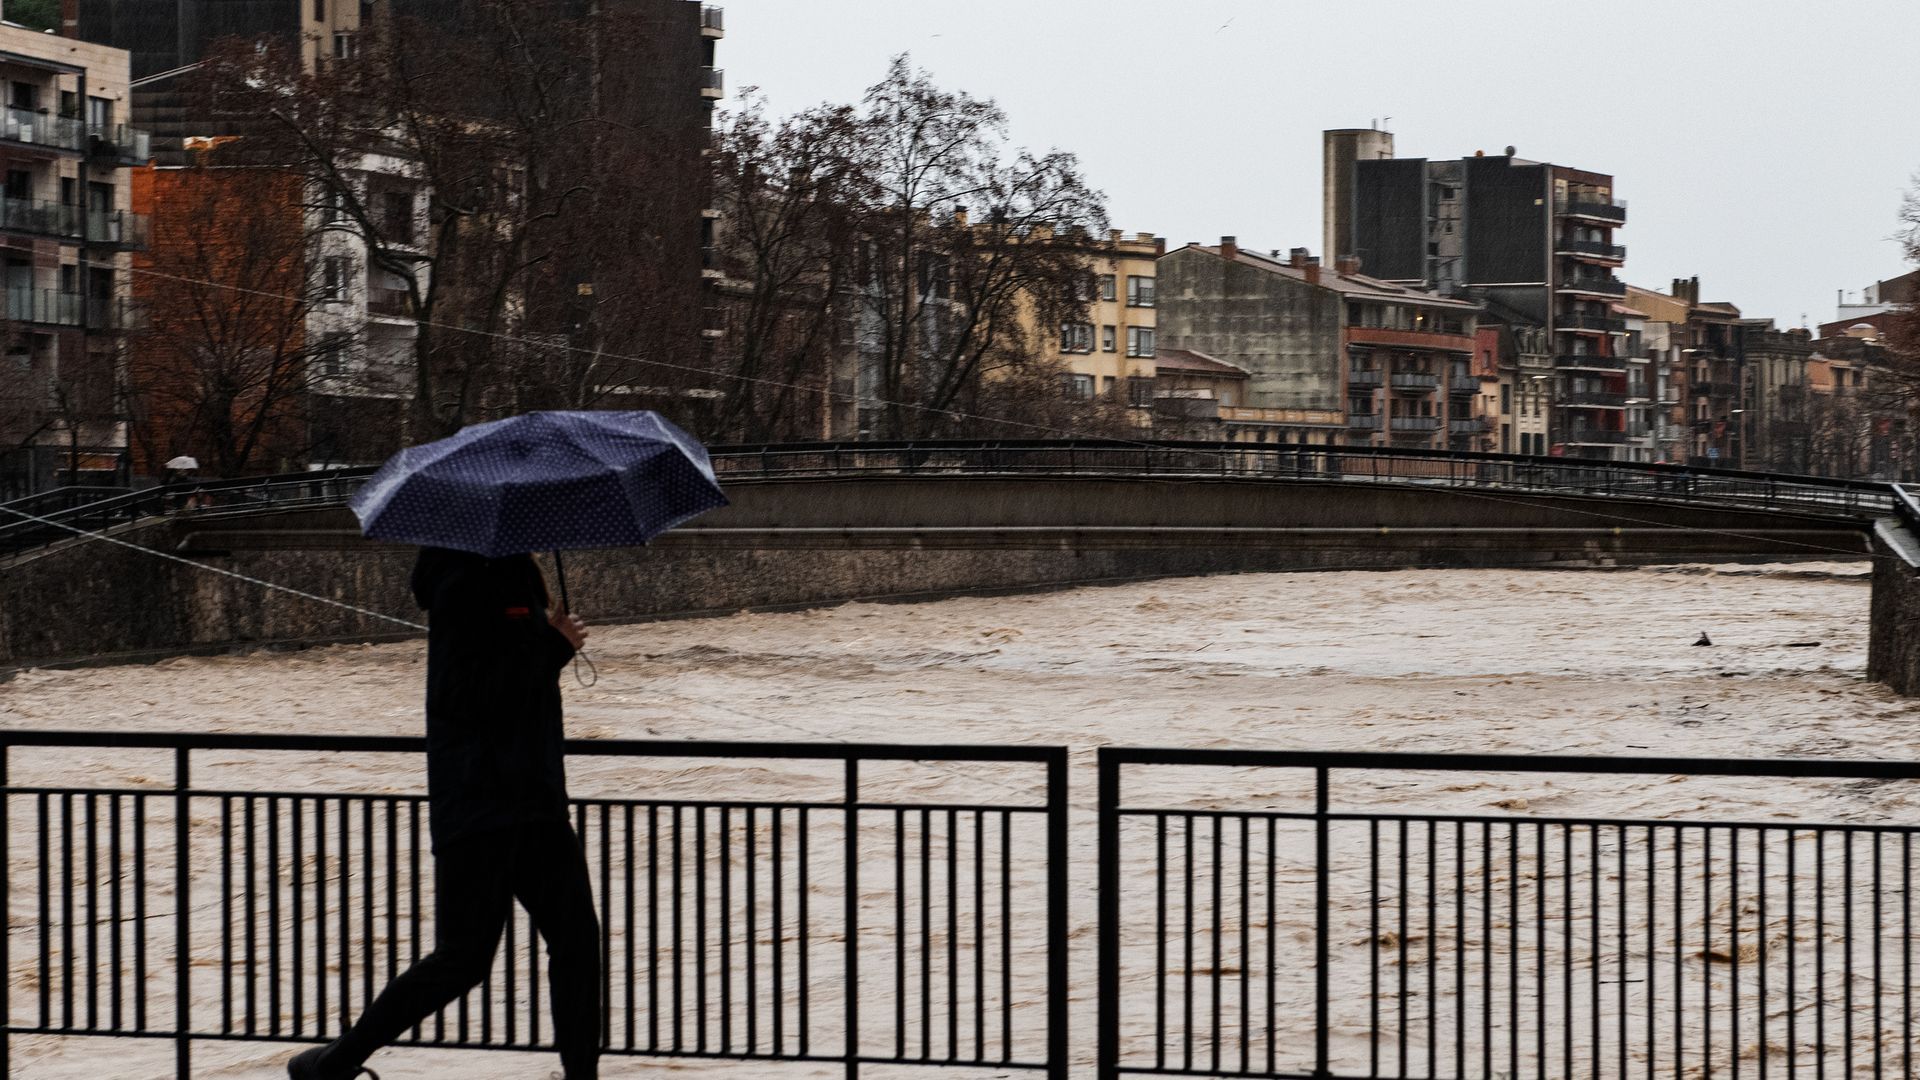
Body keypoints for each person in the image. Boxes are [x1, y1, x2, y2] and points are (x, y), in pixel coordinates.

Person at [289, 547, 599, 1080]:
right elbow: (470, 695)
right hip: (485, 804)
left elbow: (509, 675)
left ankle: (582, 1077)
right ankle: (335, 1062)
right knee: (466, 958)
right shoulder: (463, 585)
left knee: (572, 943)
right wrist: (553, 646)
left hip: (529, 801)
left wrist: (546, 640)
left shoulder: (509, 573)